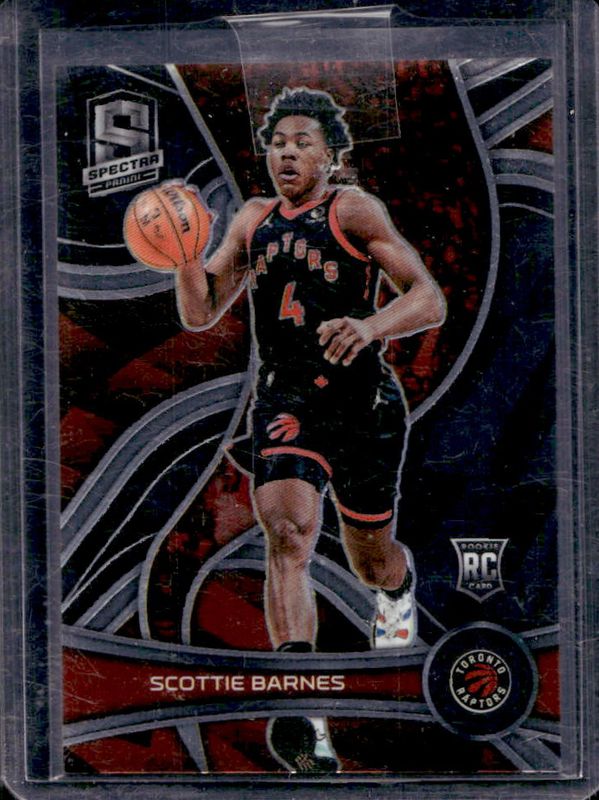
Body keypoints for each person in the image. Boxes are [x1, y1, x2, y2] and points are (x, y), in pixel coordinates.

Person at [175, 87, 446, 772]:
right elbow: (200, 312)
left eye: (302, 142)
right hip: (286, 398)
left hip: (362, 403)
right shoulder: (252, 219)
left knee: (369, 558)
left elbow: (428, 297)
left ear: (331, 156)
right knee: (288, 533)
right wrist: (182, 255)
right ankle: (301, 709)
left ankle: (395, 593)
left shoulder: (352, 210)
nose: (287, 154)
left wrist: (371, 325)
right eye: (277, 144)